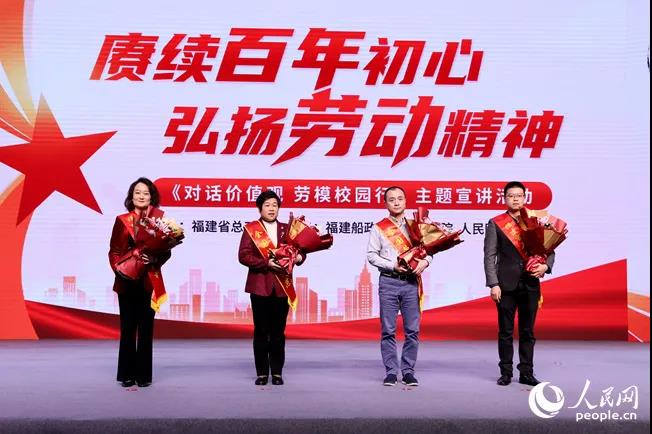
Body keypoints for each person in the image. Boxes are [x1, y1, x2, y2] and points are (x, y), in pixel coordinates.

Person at [484, 181, 555, 387]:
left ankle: (526, 372)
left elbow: (550, 248)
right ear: (505, 199)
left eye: (519, 196)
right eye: (511, 196)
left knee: (527, 332)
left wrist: (546, 266)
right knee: (505, 332)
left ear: (525, 198)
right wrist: (493, 284)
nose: (515, 199)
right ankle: (506, 372)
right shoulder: (496, 223)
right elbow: (489, 256)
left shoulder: (536, 220)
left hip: (530, 283)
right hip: (505, 285)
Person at [109, 177, 170, 388]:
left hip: (149, 280)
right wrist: (120, 270)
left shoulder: (159, 221)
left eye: (146, 193)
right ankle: (126, 374)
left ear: (151, 197)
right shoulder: (122, 220)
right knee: (127, 328)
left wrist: (154, 258)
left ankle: (143, 375)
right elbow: (114, 251)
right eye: (137, 192)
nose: (141, 196)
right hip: (126, 281)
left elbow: (166, 251)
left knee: (146, 329)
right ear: (131, 196)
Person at [367, 186, 431, 387]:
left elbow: (430, 249)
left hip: (411, 283)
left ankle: (408, 371)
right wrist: (392, 265)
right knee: (388, 330)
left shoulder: (416, 226)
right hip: (389, 281)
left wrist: (425, 261)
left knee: (412, 330)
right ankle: (391, 372)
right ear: (386, 203)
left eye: (400, 198)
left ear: (405, 201)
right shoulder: (379, 227)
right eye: (392, 199)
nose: (396, 202)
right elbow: (371, 255)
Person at [238, 190, 304, 386]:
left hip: (282, 287)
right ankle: (261, 373)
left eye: (275, 205)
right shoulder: (252, 229)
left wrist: (300, 257)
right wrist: (266, 263)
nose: (271, 208)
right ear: (260, 208)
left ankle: (276, 372)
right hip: (260, 286)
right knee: (261, 330)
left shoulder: (287, 229)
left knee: (278, 331)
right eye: (267, 205)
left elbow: (299, 250)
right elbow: (243, 256)